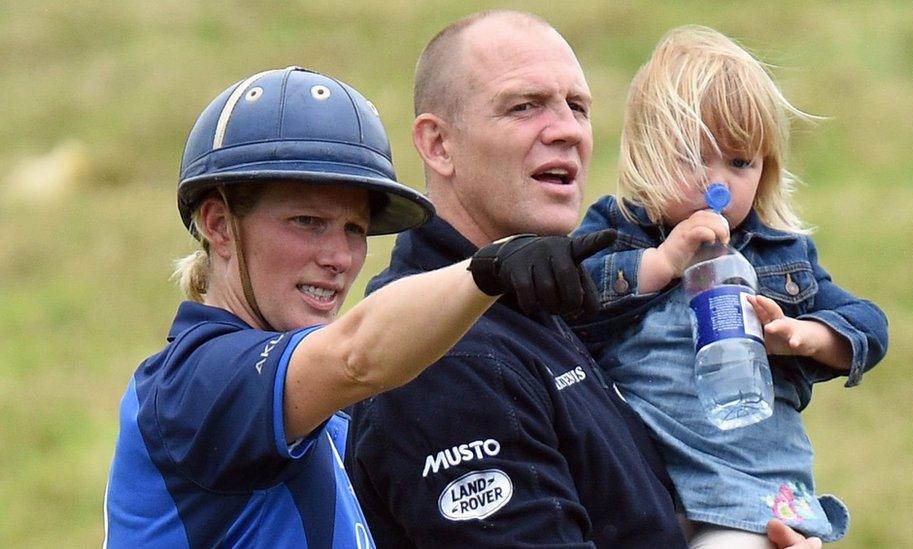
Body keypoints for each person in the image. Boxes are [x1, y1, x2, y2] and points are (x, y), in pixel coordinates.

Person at [347, 12, 825, 548]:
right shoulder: (446, 357)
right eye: (524, 106)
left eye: (578, 107)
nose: (567, 130)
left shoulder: (537, 300)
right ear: (438, 145)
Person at [102, 66, 614, 548]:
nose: (339, 257)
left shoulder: (323, 413)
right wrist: (488, 271)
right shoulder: (197, 382)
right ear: (217, 225)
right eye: (307, 221)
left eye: (354, 229)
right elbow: (355, 357)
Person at [568, 26, 889, 547]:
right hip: (641, 490)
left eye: (740, 162)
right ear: (647, 154)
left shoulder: (778, 254)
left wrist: (807, 336)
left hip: (748, 499)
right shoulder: (615, 230)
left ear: (764, 172)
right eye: (694, 156)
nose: (716, 182)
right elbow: (569, 307)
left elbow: (869, 326)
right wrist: (662, 261)